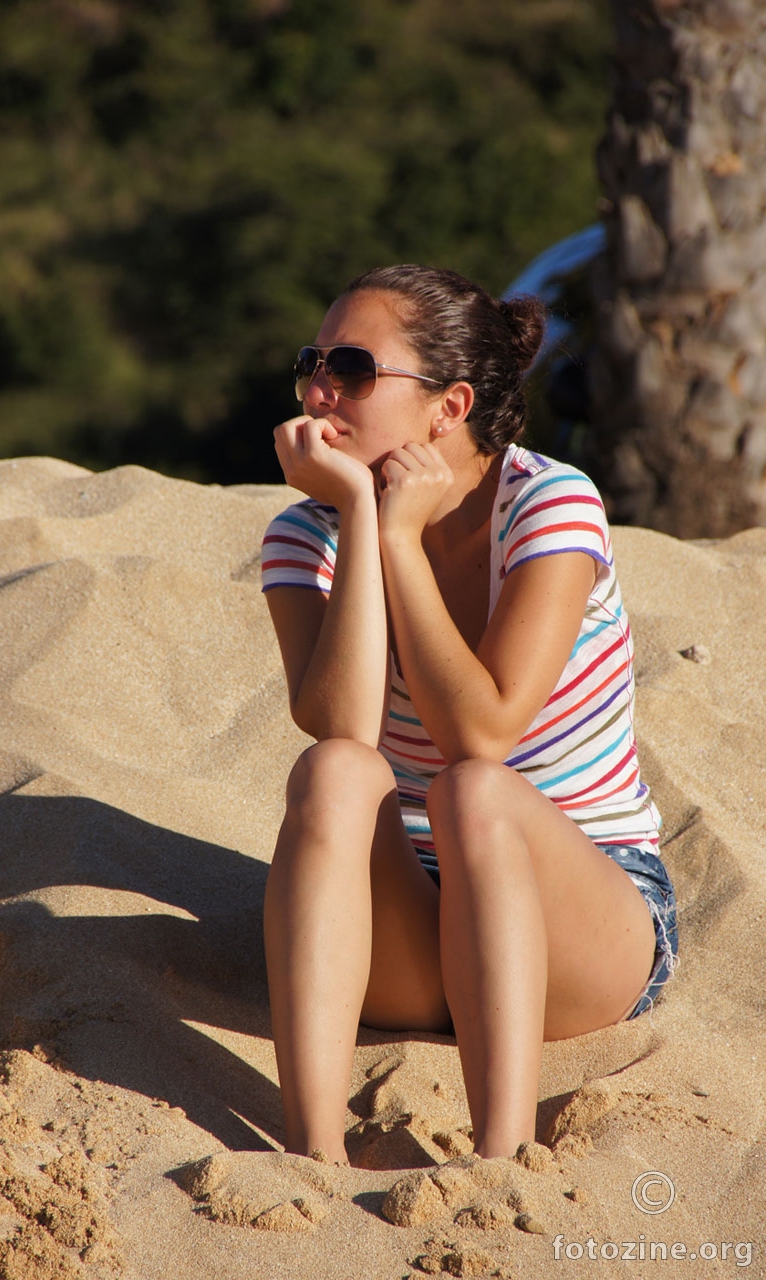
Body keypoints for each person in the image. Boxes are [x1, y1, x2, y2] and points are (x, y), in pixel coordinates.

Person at [260, 264, 677, 1164]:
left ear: (448, 407)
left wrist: (403, 537)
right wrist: (365, 524)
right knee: (332, 771)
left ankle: (500, 1161)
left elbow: (480, 733)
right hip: (413, 927)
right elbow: (339, 720)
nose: (321, 388)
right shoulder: (305, 535)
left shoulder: (548, 502)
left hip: (580, 927)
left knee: (474, 791)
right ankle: (312, 1153)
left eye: (353, 367)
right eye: (312, 363)